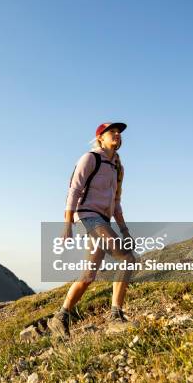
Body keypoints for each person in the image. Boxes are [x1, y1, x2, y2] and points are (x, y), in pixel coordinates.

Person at [49, 122, 137, 338]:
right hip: (87, 217)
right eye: (112, 133)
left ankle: (60, 318)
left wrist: (124, 230)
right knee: (127, 259)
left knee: (88, 275)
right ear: (100, 138)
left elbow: (116, 203)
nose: (117, 135)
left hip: (103, 220)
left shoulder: (118, 168)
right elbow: (74, 190)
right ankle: (115, 316)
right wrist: (67, 225)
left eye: (119, 133)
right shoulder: (90, 158)